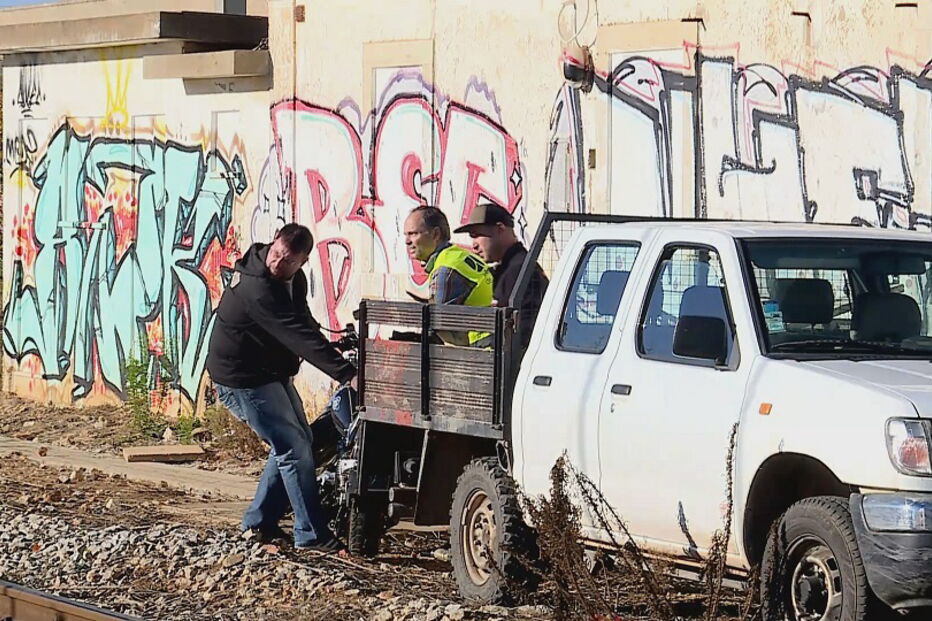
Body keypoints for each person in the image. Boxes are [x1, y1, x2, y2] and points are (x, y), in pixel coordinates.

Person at [206, 223, 355, 552]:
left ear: (302, 262)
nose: (277, 264)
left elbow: (302, 322)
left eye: (287, 260)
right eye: (276, 254)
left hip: (266, 373)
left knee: (299, 441)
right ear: (271, 243)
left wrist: (334, 344)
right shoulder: (257, 287)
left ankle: (259, 523)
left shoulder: (293, 280)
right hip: (241, 379)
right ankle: (311, 534)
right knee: (293, 448)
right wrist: (346, 373)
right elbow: (295, 335)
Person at [454, 203, 549, 351]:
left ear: (500, 229)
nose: (474, 245)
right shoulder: (509, 267)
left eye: (477, 235)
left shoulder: (519, 270)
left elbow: (524, 330)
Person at [404, 205, 493, 345]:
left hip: (480, 350)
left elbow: (437, 326)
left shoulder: (446, 270)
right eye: (406, 235)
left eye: (414, 234)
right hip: (491, 344)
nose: (407, 241)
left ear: (435, 234)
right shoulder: (457, 256)